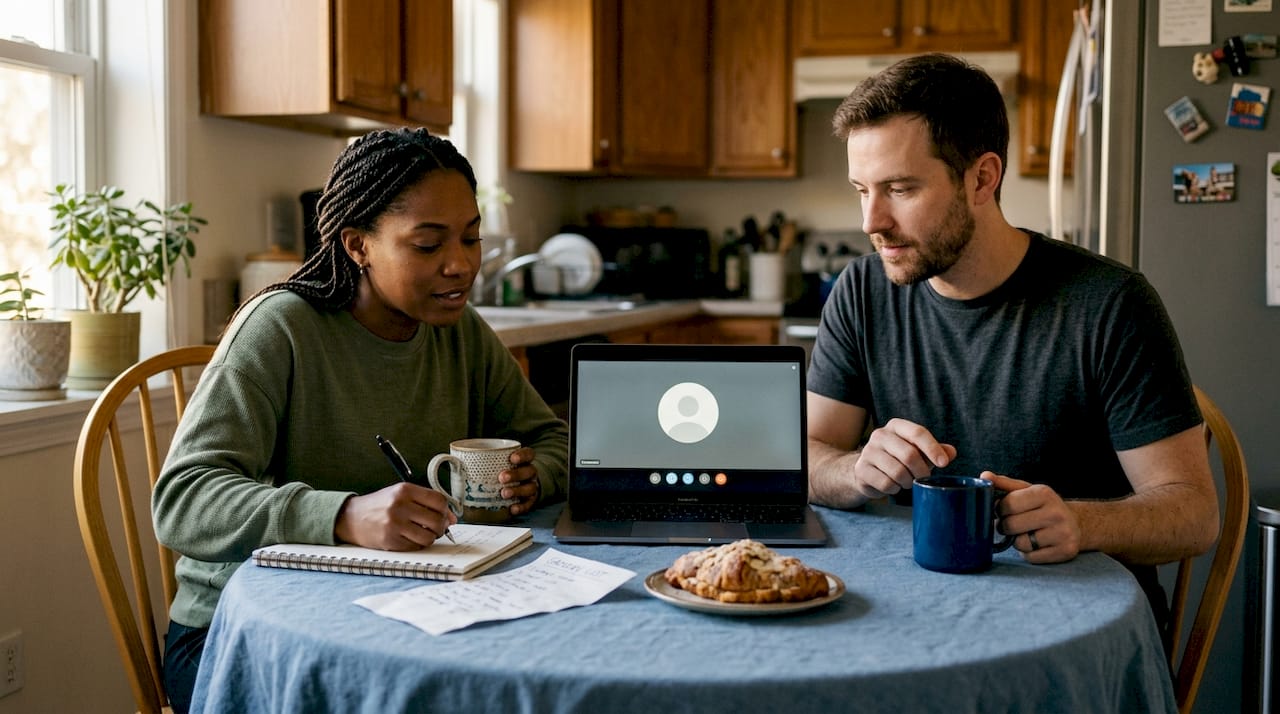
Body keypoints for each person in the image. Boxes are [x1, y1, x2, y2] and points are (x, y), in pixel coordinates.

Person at [151, 128, 568, 712]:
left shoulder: (460, 331)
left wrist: (537, 474)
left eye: (471, 238)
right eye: (428, 246)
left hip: (399, 608)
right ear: (357, 246)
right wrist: (344, 514)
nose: (460, 265)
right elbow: (183, 501)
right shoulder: (281, 328)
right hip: (238, 635)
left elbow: (551, 437)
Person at [805, 53, 1219, 626]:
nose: (871, 220)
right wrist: (853, 471)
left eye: (899, 189)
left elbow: (1194, 514)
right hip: (911, 608)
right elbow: (805, 456)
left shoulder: (1110, 303)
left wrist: (1083, 521)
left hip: (1075, 619)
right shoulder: (861, 290)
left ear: (982, 177)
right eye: (861, 189)